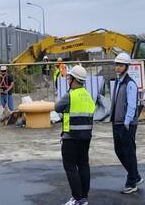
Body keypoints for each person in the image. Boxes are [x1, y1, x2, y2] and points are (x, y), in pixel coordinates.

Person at [55, 65, 95, 205]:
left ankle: (77, 198)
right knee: (84, 165)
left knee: (70, 167)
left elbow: (57, 107)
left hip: (70, 137)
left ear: (74, 80)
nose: (68, 79)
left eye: (69, 77)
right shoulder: (88, 96)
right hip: (86, 137)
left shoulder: (70, 95)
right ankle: (84, 197)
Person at [111, 53, 142, 194]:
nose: (118, 67)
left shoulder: (130, 83)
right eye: (117, 64)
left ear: (126, 67)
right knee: (119, 150)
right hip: (117, 122)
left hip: (126, 123)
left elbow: (131, 105)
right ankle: (135, 175)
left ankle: (131, 181)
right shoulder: (118, 81)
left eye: (121, 65)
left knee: (128, 152)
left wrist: (127, 122)